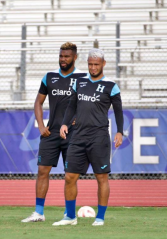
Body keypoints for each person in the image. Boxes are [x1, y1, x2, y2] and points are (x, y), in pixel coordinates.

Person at [53, 48, 123, 226]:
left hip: (99, 138)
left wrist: (120, 131)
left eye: (96, 64)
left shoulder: (111, 86)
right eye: (90, 64)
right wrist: (64, 123)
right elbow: (71, 106)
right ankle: (70, 216)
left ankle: (100, 217)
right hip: (78, 137)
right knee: (69, 177)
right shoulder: (80, 83)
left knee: (101, 178)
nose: (92, 68)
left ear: (103, 64)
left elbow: (118, 111)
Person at [21, 42, 87, 222]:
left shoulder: (83, 77)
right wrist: (41, 126)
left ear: (75, 57)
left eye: (66, 56)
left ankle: (69, 214)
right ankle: (39, 213)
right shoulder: (49, 77)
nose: (63, 59)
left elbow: (90, 104)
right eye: (61, 56)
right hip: (51, 133)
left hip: (73, 135)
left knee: (70, 176)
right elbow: (38, 102)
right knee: (42, 171)